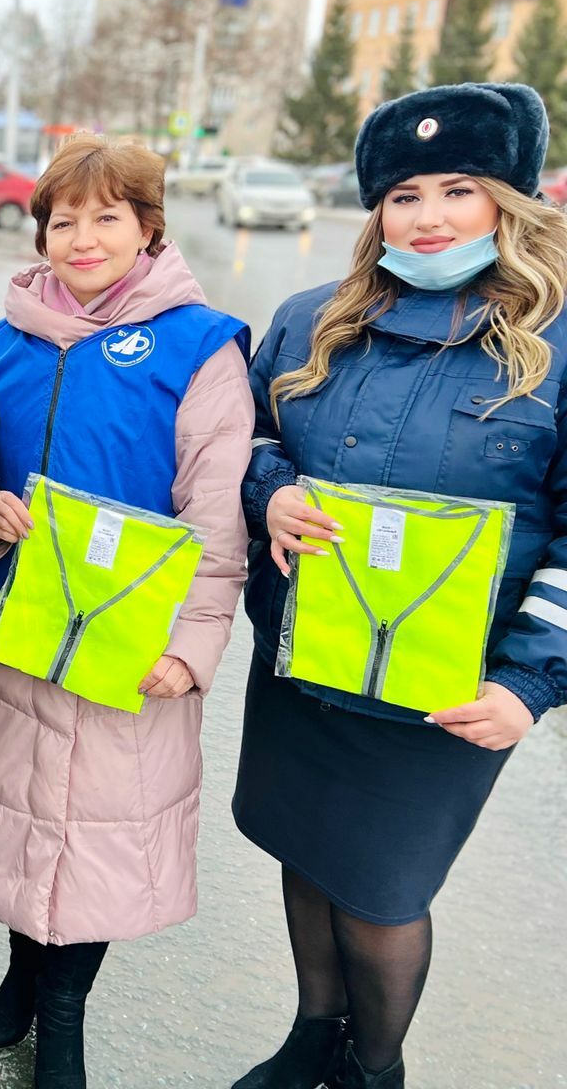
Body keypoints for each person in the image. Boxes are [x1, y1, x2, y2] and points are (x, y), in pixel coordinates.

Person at [233, 83, 567, 1089]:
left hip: (449, 688)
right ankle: (309, 1036)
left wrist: (529, 683)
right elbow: (243, 440)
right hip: (308, 655)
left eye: (457, 189)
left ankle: (373, 1069)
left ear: (508, 201)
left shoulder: (553, 344)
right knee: (306, 848)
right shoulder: (309, 321)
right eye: (404, 194)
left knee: (381, 889)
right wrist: (273, 494)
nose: (426, 216)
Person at [0, 134, 253, 1088]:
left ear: (147, 227)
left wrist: (191, 646)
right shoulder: (0, 343)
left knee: (96, 844)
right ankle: (16, 974)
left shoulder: (200, 346)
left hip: (127, 643)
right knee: (17, 820)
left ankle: (64, 1009)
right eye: (64, 220)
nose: (83, 239)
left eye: (106, 217)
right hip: (11, 630)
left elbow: (216, 508)